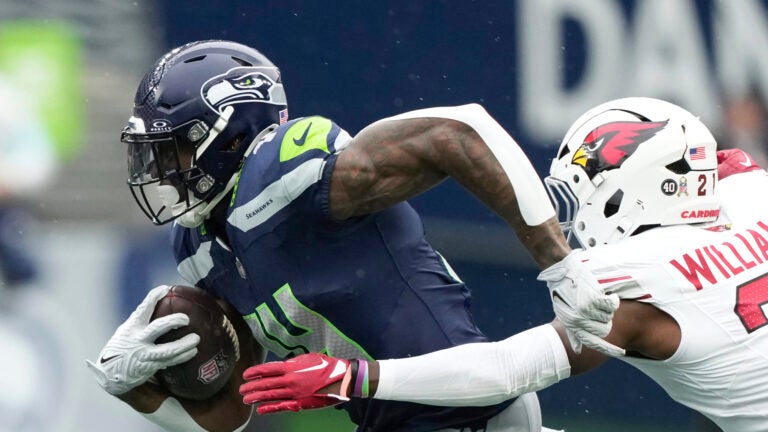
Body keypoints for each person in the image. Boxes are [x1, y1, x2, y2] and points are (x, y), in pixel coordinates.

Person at [85, 40, 615, 432]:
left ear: (231, 131)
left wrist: (560, 263)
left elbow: (457, 131)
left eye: (174, 149)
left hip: (473, 414)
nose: (161, 168)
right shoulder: (198, 245)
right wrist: (139, 388)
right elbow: (231, 409)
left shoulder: (285, 171)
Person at [238, 97, 768, 432]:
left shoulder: (630, 284)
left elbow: (504, 370)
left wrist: (355, 376)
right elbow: (729, 169)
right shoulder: (751, 195)